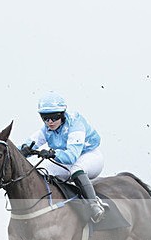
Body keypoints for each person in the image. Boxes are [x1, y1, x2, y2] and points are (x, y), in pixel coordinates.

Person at [20, 91, 107, 223]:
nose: (49, 122)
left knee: (76, 169)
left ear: (62, 114)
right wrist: (24, 150)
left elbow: (71, 157)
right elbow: (28, 143)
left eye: (54, 117)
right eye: (45, 118)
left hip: (89, 156)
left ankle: (94, 205)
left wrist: (53, 153)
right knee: (41, 172)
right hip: (66, 160)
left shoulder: (75, 124)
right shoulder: (47, 129)